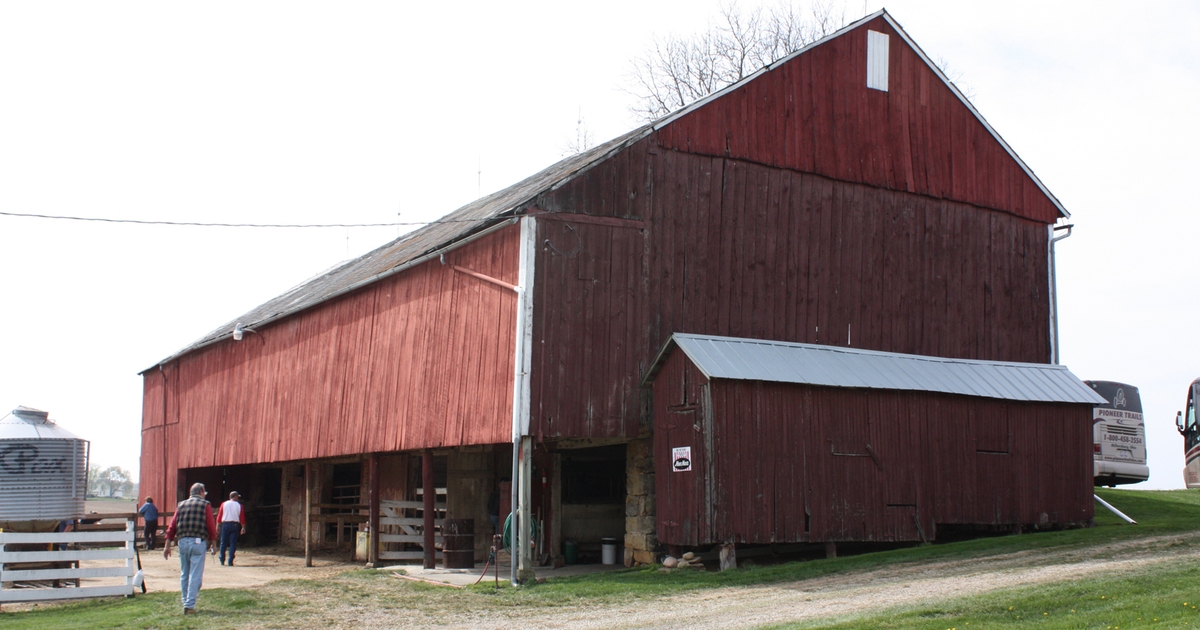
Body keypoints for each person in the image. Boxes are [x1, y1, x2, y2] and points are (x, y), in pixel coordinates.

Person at [163, 483, 217, 615]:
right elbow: (211, 525)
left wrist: (167, 544)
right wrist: (214, 542)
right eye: (204, 492)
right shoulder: (205, 505)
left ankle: (185, 601)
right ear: (201, 492)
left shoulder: (181, 505)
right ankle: (189, 605)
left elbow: (172, 525)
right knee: (195, 575)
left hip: (182, 541)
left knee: (184, 574)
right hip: (198, 541)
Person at [216, 491, 247, 566]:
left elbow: (220, 515)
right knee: (233, 543)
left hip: (225, 524)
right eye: (237, 497)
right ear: (235, 497)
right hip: (235, 525)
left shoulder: (224, 504)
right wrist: (243, 527)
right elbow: (242, 517)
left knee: (223, 542)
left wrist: (218, 525)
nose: (238, 498)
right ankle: (230, 560)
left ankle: (222, 559)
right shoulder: (239, 505)